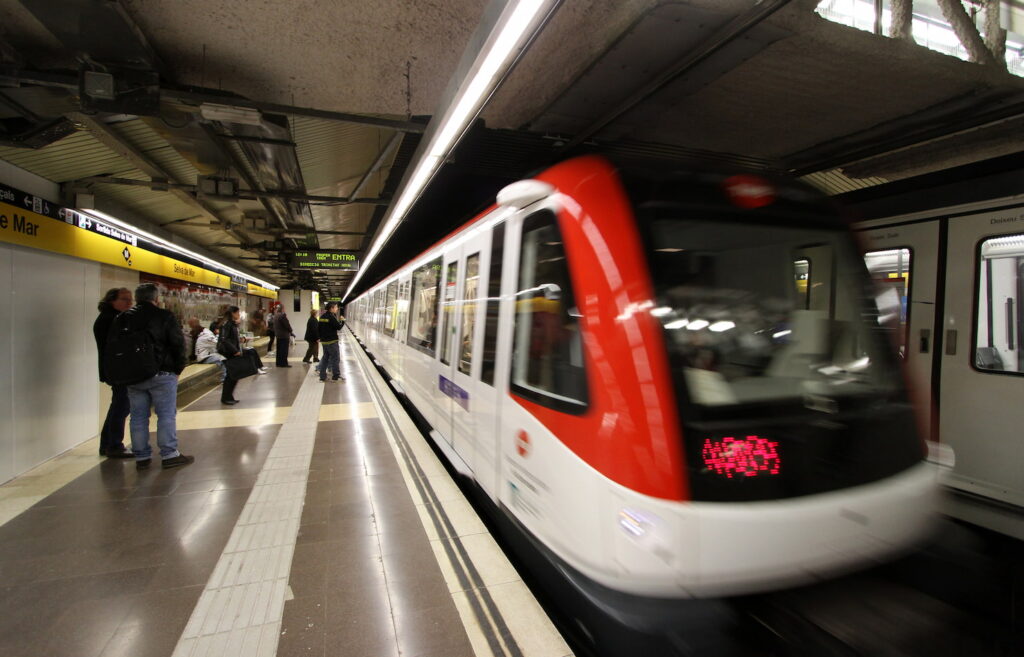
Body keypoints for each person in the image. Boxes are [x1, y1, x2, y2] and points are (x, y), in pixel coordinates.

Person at [121, 283, 194, 470]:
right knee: (166, 414)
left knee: (137, 416)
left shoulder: (123, 318)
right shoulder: (164, 316)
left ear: (137, 298)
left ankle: (141, 456)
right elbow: (178, 344)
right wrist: (178, 369)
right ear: (156, 298)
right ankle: (169, 454)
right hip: (162, 373)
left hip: (134, 375)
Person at [92, 287, 135, 459]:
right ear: (112, 301)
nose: (129, 303)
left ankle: (107, 444)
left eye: (130, 300)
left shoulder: (109, 317)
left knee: (118, 405)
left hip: (115, 369)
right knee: (121, 406)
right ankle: (114, 445)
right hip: (118, 370)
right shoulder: (111, 320)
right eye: (125, 299)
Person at [218, 306, 267, 405]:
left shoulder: (232, 324)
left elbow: (231, 338)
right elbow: (225, 340)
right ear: (233, 313)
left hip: (233, 351)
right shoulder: (227, 324)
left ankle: (229, 396)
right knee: (231, 375)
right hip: (230, 353)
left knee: (233, 375)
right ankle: (226, 397)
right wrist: (234, 350)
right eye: (238, 313)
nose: (239, 315)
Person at [317, 302, 345, 382]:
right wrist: (342, 321)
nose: (337, 309)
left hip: (324, 342)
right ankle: (336, 376)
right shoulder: (331, 317)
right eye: (336, 307)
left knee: (325, 358)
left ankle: (322, 377)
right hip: (332, 342)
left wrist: (320, 338)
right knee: (335, 359)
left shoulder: (322, 317)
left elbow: (318, 329)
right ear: (331, 308)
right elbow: (338, 327)